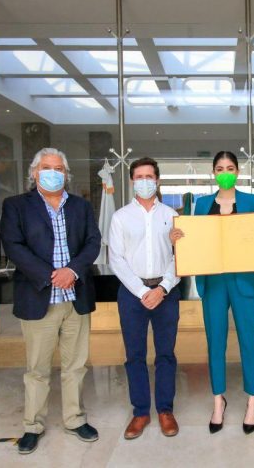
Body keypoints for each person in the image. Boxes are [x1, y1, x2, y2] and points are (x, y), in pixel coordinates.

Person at [0, 147, 101, 455]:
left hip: (75, 297)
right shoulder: (16, 205)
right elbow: (13, 246)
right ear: (35, 172)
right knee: (37, 369)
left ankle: (74, 419)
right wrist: (51, 275)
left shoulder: (81, 206)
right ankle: (32, 425)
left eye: (59, 168)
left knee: (76, 366)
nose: (53, 173)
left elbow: (93, 242)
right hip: (38, 297)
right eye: (47, 167)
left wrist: (72, 270)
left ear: (66, 174)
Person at [169, 150, 254, 435]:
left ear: (237, 172)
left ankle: (252, 400)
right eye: (220, 168)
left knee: (249, 340)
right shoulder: (202, 204)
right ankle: (218, 400)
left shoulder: (252, 201)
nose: (225, 172)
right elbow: (195, 240)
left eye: (230, 168)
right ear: (213, 173)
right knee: (215, 340)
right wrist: (179, 238)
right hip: (213, 281)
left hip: (245, 280)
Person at [108, 158, 182, 440]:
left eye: (149, 176)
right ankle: (140, 412)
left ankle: (165, 410)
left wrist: (162, 288)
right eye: (139, 177)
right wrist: (142, 292)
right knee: (134, 355)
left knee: (166, 354)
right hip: (132, 294)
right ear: (132, 181)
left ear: (158, 180)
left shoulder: (171, 215)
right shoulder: (121, 217)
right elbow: (116, 260)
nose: (144, 181)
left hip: (166, 293)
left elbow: (180, 257)